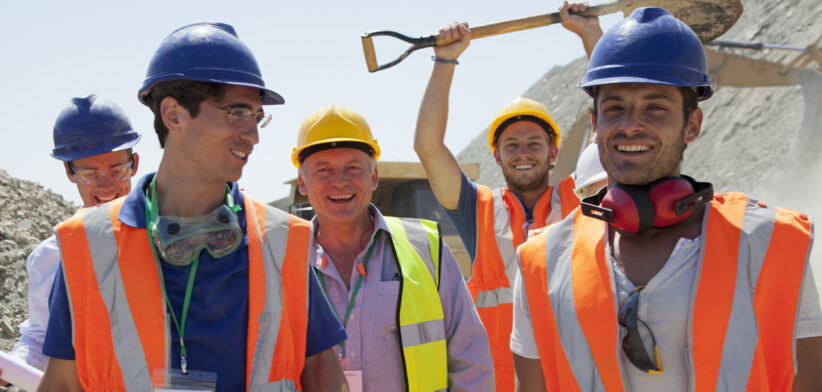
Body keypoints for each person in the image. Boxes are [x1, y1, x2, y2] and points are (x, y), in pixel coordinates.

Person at [511, 7, 822, 391]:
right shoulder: (541, 262)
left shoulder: (769, 244)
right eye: (613, 108)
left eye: (655, 107)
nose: (630, 124)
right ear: (595, 126)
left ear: (692, 125)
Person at [38, 23, 348, 391]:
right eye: (236, 113)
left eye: (256, 116)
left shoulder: (283, 241)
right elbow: (62, 381)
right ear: (173, 115)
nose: (254, 135)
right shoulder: (87, 245)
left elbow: (321, 371)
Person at [412, 2, 602, 389]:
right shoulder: (476, 209)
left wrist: (591, 36)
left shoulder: (582, 198)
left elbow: (611, 134)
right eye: (511, 145)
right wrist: (445, 61)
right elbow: (428, 146)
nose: (523, 152)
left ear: (553, 153)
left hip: (574, 380)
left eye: (534, 142)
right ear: (496, 155)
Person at [293, 103, 494, 391]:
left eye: (353, 167)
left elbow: (471, 359)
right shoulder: (283, 258)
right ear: (302, 181)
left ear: (374, 177)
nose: (340, 181)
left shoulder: (426, 249)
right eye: (323, 170)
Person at [1, 95, 140, 383]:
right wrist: (13, 365)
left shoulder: (167, 238)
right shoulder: (52, 255)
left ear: (134, 164)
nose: (105, 185)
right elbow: (41, 336)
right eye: (90, 174)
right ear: (69, 172)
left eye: (116, 171)